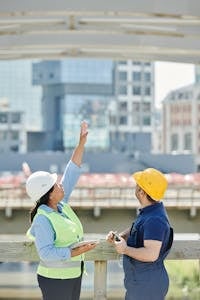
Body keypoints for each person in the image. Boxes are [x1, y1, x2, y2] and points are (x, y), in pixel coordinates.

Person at [26, 121, 97, 300]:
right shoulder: (42, 219)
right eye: (56, 185)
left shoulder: (61, 205)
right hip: (54, 280)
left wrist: (81, 143)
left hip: (73, 276)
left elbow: (71, 171)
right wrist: (76, 252)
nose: (61, 185)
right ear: (49, 194)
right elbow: (47, 253)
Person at [107, 168, 173, 300]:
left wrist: (125, 249)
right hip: (142, 284)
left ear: (141, 192)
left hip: (147, 287)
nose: (135, 186)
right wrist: (120, 236)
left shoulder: (155, 219)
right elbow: (138, 230)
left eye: (138, 184)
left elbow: (151, 254)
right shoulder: (149, 213)